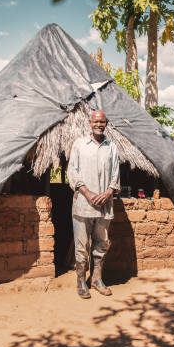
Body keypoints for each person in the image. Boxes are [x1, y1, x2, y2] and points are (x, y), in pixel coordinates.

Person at [67, 110, 120, 299]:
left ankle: (97, 279)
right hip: (83, 205)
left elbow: (115, 174)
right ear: (89, 123)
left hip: (104, 206)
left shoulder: (111, 147)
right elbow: (72, 172)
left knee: (102, 244)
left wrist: (108, 192)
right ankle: (81, 281)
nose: (99, 124)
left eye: (102, 122)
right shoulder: (79, 145)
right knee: (82, 246)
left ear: (106, 123)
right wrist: (88, 193)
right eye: (96, 121)